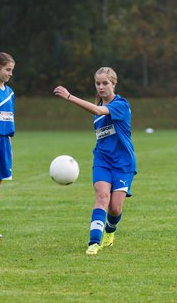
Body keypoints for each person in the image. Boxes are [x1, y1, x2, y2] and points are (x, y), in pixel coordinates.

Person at [54, 67, 137, 255]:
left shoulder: (120, 105)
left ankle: (110, 231)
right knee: (101, 198)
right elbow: (97, 109)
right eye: (98, 83)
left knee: (115, 208)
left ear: (114, 84)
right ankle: (93, 242)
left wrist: (70, 97)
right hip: (102, 160)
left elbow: (99, 110)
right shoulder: (97, 110)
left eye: (105, 83)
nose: (101, 87)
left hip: (123, 163)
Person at [0, 52, 15, 238]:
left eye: (11, 70)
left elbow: (9, 121)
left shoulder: (10, 93)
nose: (10, 73)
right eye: (7, 69)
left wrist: (10, 144)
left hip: (4, 143)